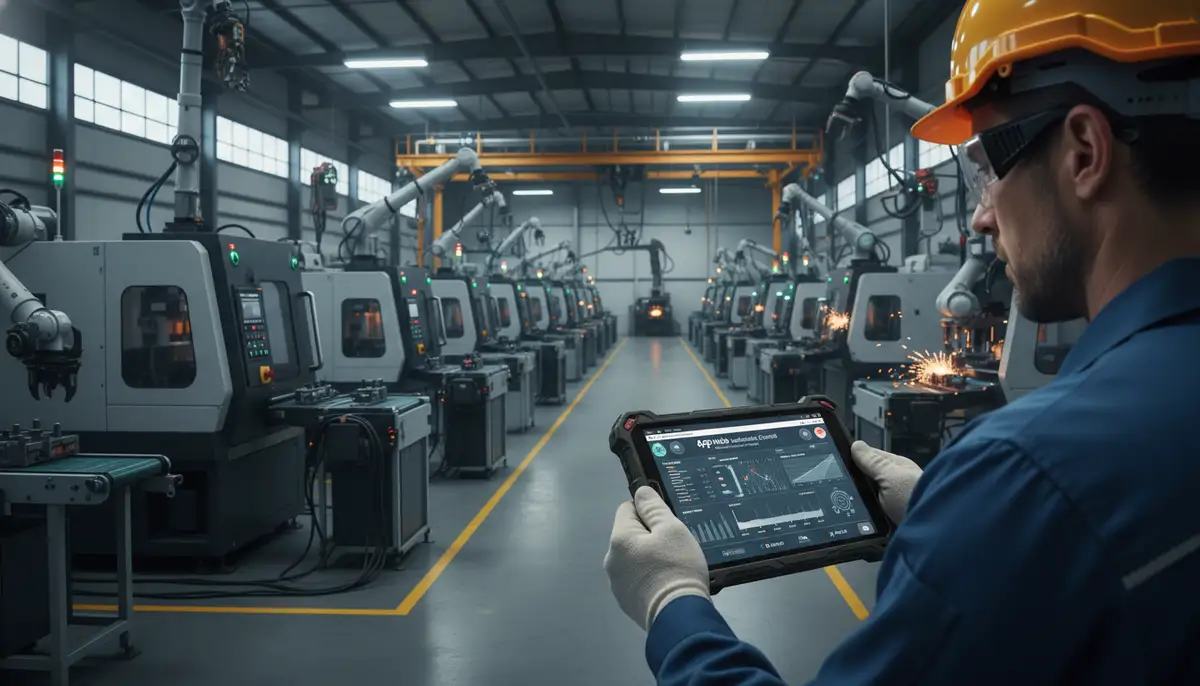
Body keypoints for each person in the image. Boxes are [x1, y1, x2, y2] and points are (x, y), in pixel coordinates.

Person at [604, 2, 1200, 684]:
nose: (978, 216)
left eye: (984, 168)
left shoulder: (1029, 474)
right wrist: (948, 519)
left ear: (1085, 153)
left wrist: (673, 604)